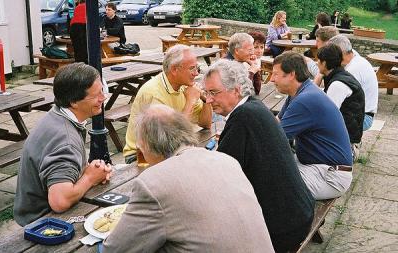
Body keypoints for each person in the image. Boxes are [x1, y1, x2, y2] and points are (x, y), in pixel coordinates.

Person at [103, 104, 275, 253]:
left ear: (147, 145)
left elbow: (114, 249)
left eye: (139, 146)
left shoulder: (153, 183)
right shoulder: (227, 160)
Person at [203, 59, 315, 253]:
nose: (208, 100)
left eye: (213, 93)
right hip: (300, 213)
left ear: (236, 90)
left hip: (281, 230)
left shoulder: (242, 119)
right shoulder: (255, 106)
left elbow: (219, 181)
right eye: (206, 93)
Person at [14, 63, 112, 226]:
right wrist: (89, 177)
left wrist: (90, 170)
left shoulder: (56, 114)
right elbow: (59, 201)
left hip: (28, 213)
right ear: (74, 102)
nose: (103, 97)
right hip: (41, 221)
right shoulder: (66, 140)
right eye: (96, 95)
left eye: (102, 90)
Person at [272, 51, 353, 200]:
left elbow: (273, 139)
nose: (271, 79)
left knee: (269, 185)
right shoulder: (299, 93)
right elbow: (276, 123)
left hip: (330, 176)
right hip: (313, 165)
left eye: (276, 74)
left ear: (291, 74)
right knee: (265, 170)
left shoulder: (306, 100)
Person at [123, 45, 212, 164]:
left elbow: (206, 124)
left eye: (197, 68)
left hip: (167, 150)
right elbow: (172, 139)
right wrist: (190, 102)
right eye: (192, 68)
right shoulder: (153, 92)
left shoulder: (184, 86)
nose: (196, 73)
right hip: (141, 156)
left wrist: (206, 99)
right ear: (174, 70)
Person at [317, 44, 365, 158]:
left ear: (324, 63)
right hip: (346, 135)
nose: (316, 63)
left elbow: (326, 116)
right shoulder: (339, 76)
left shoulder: (338, 84)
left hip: (346, 146)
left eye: (318, 61)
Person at [329, 35, 378, 130]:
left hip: (363, 118)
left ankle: (348, 143)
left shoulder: (352, 70)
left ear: (340, 53)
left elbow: (333, 106)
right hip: (362, 113)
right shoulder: (355, 59)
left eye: (331, 54)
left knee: (321, 123)